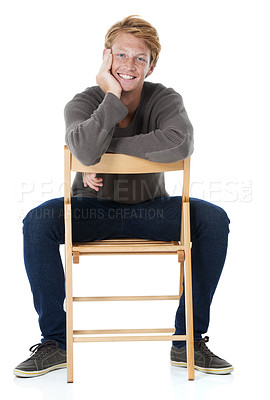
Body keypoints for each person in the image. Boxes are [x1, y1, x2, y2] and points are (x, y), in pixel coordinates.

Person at [13, 15, 233, 378]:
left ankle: (187, 340)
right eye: (121, 55)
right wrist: (110, 98)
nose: (129, 65)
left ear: (151, 64)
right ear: (106, 57)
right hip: (89, 211)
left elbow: (180, 141)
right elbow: (82, 146)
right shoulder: (82, 102)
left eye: (140, 58)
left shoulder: (164, 98)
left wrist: (102, 152)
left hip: (152, 211)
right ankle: (55, 342)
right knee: (38, 220)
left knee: (212, 218)